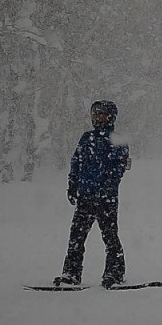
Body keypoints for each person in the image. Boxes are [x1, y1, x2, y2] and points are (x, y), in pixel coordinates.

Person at [56, 100, 131, 288]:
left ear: (111, 117)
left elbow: (118, 169)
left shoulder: (118, 140)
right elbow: (77, 163)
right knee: (76, 238)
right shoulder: (86, 138)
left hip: (106, 199)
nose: (99, 118)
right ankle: (71, 274)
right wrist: (73, 186)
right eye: (96, 115)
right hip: (85, 197)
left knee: (110, 237)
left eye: (103, 115)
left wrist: (107, 188)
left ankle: (114, 274)